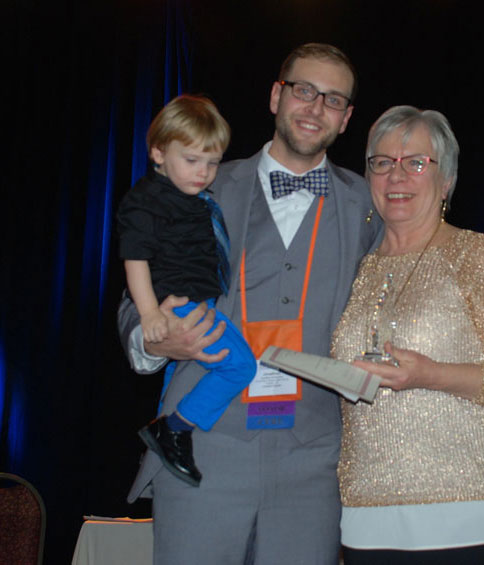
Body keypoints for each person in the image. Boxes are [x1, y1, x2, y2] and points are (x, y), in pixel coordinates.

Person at [118, 44, 383, 564]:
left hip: (316, 462)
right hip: (202, 451)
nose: (314, 107)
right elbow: (137, 286)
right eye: (303, 90)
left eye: (332, 99)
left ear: (347, 118)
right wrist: (154, 338)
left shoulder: (369, 208)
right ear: (275, 96)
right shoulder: (202, 181)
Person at [331, 105, 484, 564]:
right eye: (383, 162)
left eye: (415, 163)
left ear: (445, 179)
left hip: (471, 511)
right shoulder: (353, 269)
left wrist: (430, 374)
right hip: (368, 516)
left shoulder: (477, 255)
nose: (397, 176)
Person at [116, 94, 257, 488]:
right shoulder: (145, 202)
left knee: (176, 381)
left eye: (212, 162)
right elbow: (135, 261)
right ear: (158, 153)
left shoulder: (195, 200)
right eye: (192, 160)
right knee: (241, 365)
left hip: (200, 300)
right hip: (179, 307)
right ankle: (174, 429)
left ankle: (166, 443)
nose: (204, 172)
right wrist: (149, 315)